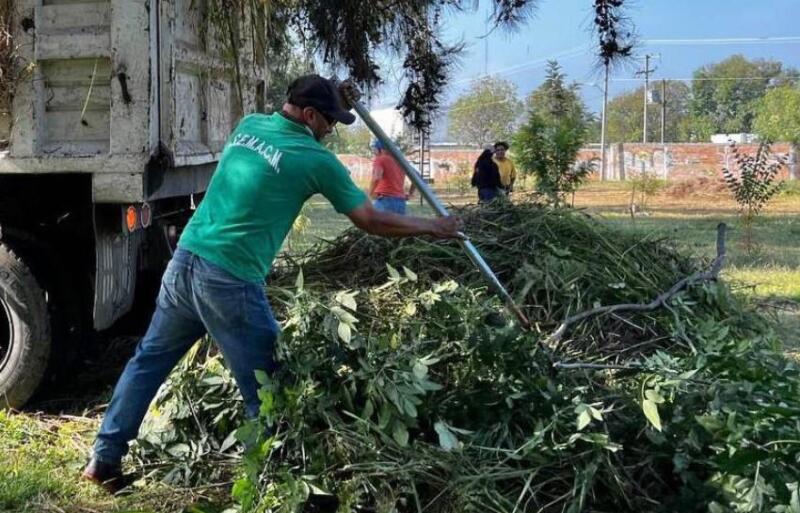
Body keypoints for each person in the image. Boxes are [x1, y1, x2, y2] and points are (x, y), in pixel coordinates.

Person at [82, 74, 460, 492]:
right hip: (229, 279)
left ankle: (103, 458)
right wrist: (432, 226)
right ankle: (267, 487)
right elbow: (370, 220)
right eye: (329, 121)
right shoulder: (315, 161)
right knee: (268, 388)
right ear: (310, 115)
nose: (330, 131)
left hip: (185, 261)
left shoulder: (249, 126)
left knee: (148, 361)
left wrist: (334, 90)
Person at [369, 139, 416, 215]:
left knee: (377, 226)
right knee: (398, 226)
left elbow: (376, 178)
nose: (374, 152)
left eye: (374, 149)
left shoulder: (380, 159)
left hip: (384, 200)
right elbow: (417, 178)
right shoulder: (401, 161)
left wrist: (371, 193)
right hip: (401, 202)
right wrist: (410, 193)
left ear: (380, 149)